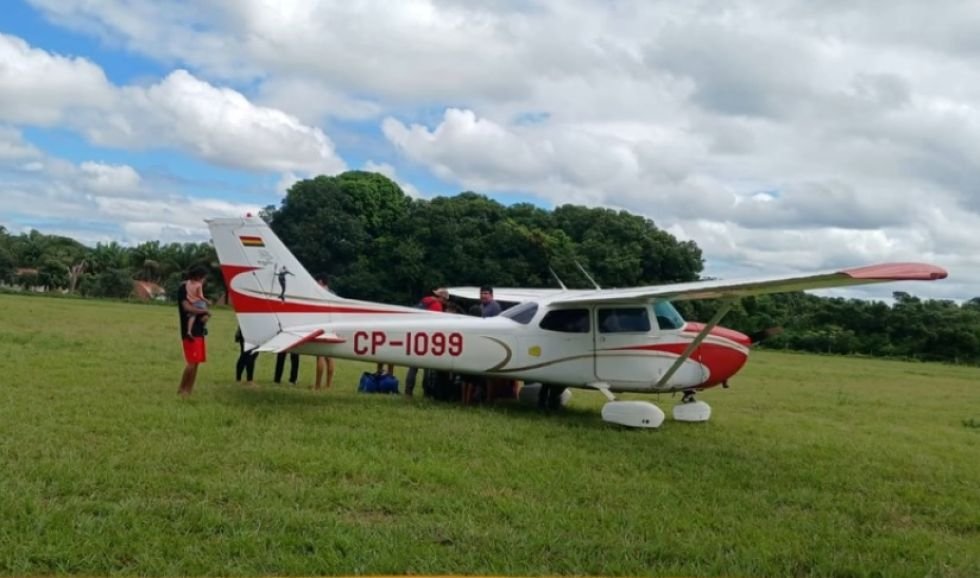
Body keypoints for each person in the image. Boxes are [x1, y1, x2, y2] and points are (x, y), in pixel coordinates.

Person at [404, 287, 450, 396]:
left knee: (413, 368)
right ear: (441, 298)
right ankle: (426, 392)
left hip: (416, 337)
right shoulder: (437, 306)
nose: (445, 302)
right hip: (427, 340)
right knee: (427, 368)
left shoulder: (425, 301)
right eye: (445, 299)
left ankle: (408, 391)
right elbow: (435, 325)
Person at [177, 266, 209, 398]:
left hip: (199, 330)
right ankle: (182, 389)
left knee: (196, 362)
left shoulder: (197, 291)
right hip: (190, 332)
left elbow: (201, 311)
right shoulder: (183, 288)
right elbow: (186, 307)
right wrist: (204, 312)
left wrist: (205, 317)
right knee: (191, 361)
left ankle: (189, 390)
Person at [314, 277, 335, 391]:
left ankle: (317, 385)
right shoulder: (332, 294)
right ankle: (328, 385)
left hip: (322, 325)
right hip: (332, 326)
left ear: (321, 282)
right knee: (330, 357)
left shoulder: (320, 295)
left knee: (320, 356)